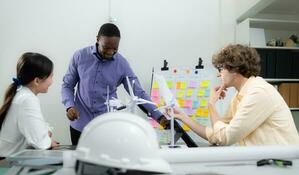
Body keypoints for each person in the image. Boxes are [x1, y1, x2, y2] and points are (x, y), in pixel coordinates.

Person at [168, 44, 299, 146]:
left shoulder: (258, 92)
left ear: (235, 69)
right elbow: (216, 134)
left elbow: (224, 138)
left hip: (282, 166)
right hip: (264, 163)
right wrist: (183, 117)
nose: (218, 74)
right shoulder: (239, 96)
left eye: (221, 69)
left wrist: (211, 105)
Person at [61, 23, 163, 145]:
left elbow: (138, 92)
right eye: (106, 47)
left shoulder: (122, 64)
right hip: (80, 125)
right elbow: (67, 85)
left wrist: (159, 116)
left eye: (115, 48)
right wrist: (69, 106)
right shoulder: (80, 56)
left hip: (106, 128)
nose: (110, 52)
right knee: (81, 162)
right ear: (98, 39)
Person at [0, 53, 59, 157]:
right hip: (6, 162)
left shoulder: (22, 94)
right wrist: (48, 141)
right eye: (51, 76)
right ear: (37, 81)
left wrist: (45, 133)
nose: (52, 81)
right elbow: (40, 143)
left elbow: (39, 130)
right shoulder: (27, 99)